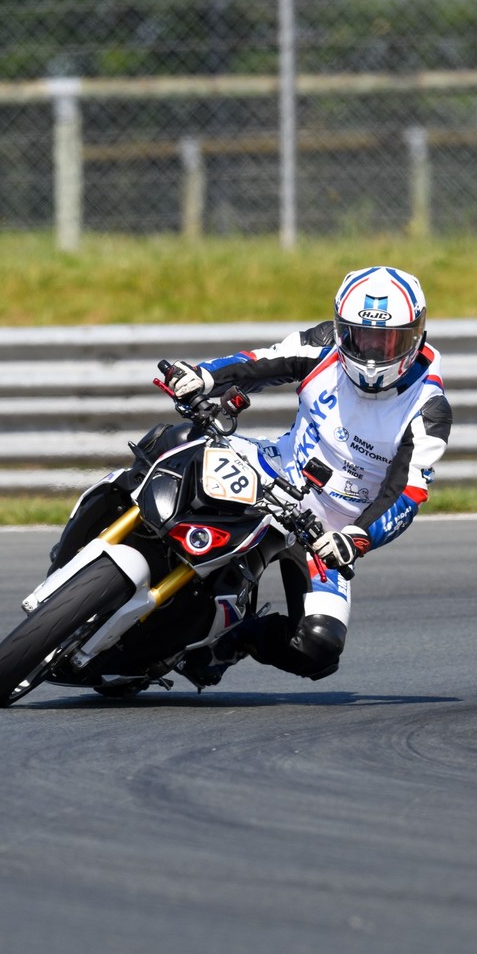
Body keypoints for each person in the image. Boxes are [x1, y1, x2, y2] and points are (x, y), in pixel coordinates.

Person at [161, 266, 452, 687]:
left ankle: (234, 640)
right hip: (271, 473)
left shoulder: (428, 407)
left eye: (386, 340)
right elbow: (259, 364)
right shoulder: (324, 345)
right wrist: (204, 376)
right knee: (175, 442)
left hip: (327, 534)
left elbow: (404, 495)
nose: (371, 352)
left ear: (415, 335)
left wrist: (355, 538)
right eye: (360, 336)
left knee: (319, 647)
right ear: (340, 328)